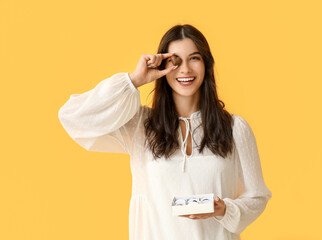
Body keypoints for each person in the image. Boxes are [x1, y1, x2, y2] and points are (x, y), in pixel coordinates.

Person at [58, 24, 272, 240]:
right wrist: (134, 80)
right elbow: (74, 118)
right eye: (175, 61)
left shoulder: (235, 128)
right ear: (162, 66)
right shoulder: (140, 126)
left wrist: (223, 209)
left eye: (194, 58)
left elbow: (257, 197)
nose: (185, 69)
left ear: (206, 64)